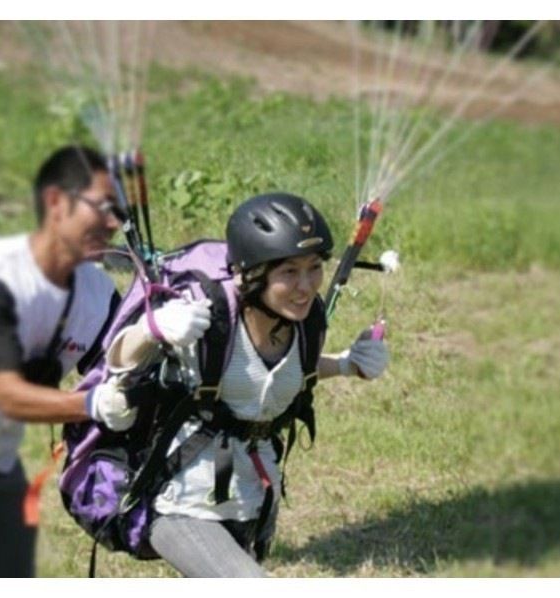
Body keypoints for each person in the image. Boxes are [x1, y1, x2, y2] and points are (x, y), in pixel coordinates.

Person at [102, 192, 389, 577]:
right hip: (180, 502)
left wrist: (345, 364)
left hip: (250, 498)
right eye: (289, 272)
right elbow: (119, 361)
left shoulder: (306, 323)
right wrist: (151, 330)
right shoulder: (208, 321)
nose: (306, 286)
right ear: (251, 274)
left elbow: (278, 374)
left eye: (314, 267)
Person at [0, 145, 138, 577]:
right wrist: (91, 405)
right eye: (103, 207)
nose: (113, 223)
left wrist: (164, 331)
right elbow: (6, 396)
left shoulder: (97, 293)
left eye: (119, 211)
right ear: (55, 202)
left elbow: (120, 365)